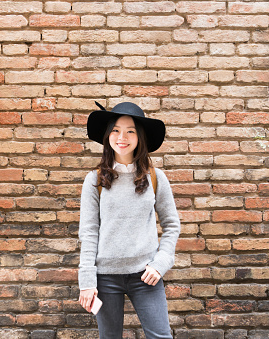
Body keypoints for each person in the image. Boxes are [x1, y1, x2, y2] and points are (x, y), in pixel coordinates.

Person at [78, 102, 181, 339]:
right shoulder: (94, 180)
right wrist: (87, 281)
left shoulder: (155, 177)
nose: (122, 137)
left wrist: (161, 262)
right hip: (106, 278)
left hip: (145, 275)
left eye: (130, 130)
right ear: (107, 136)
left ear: (140, 137)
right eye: (115, 130)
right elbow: (89, 232)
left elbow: (172, 225)